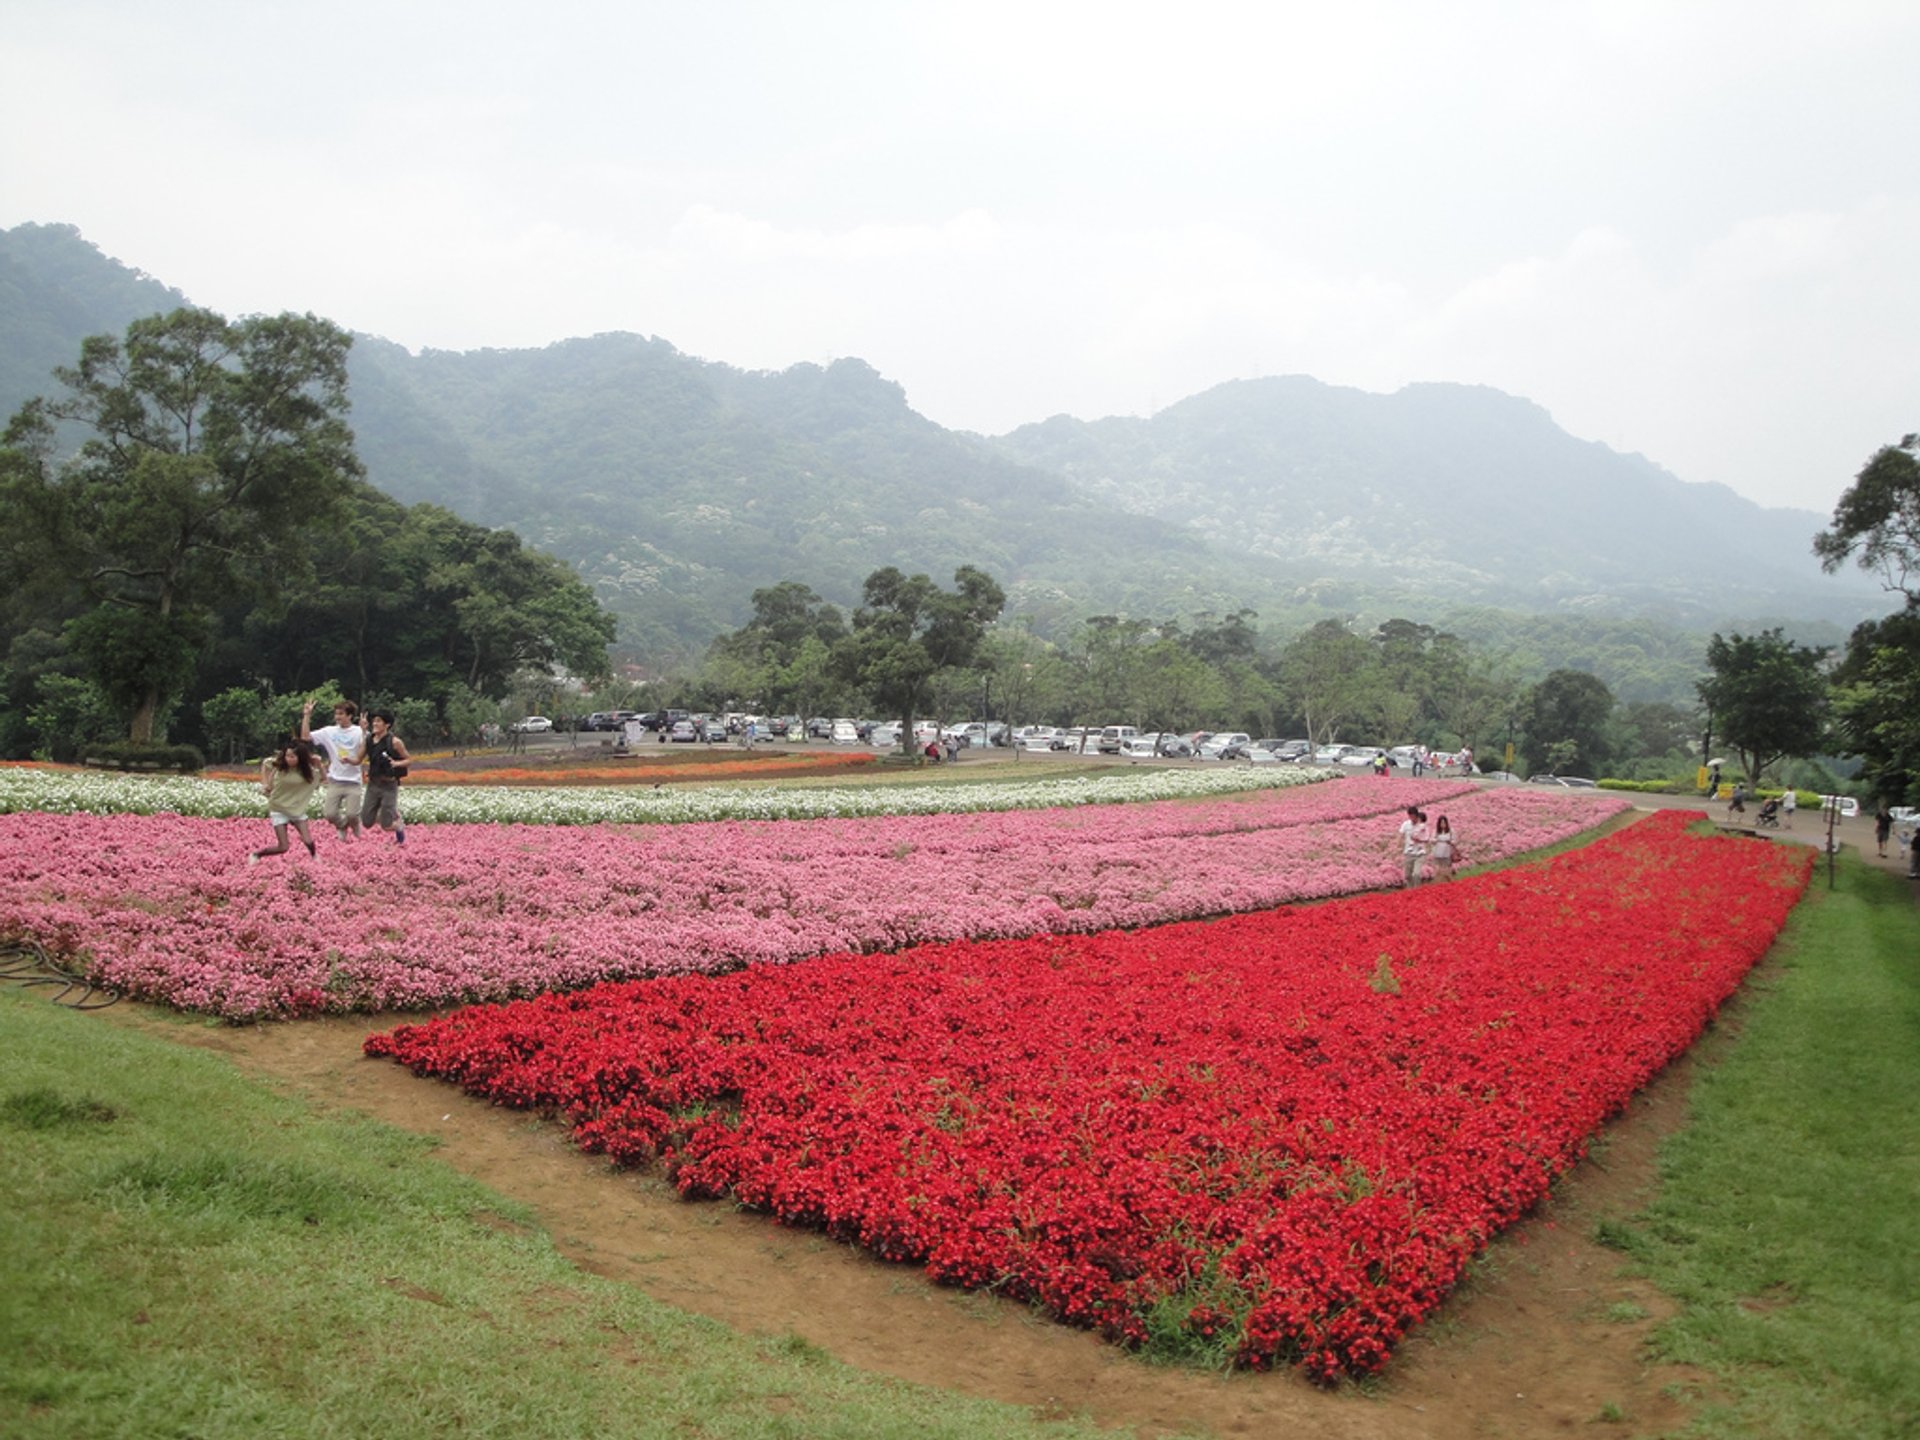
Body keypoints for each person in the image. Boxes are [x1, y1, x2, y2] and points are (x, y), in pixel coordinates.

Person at [249, 738, 324, 864]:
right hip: (278, 807)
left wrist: (319, 765)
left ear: (300, 757)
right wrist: (266, 783)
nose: (289, 759)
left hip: (296, 808)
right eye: (288, 756)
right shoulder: (279, 764)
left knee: (307, 840)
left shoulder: (306, 770)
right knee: (283, 847)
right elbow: (265, 765)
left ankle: (314, 856)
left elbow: (322, 778)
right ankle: (257, 855)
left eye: (293, 756)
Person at [303, 698, 366, 840]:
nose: (337, 717)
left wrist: (364, 731)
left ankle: (354, 824)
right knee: (330, 814)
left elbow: (365, 747)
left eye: (341, 713)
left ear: (350, 716)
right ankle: (343, 825)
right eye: (336, 713)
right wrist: (307, 715)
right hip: (335, 780)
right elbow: (305, 737)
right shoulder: (329, 731)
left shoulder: (358, 731)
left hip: (353, 781)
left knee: (352, 814)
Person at [360, 709, 410, 846]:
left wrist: (396, 763)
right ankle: (387, 812)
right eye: (373, 721)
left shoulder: (395, 742)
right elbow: (358, 758)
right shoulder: (369, 740)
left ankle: (398, 825)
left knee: (386, 825)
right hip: (373, 784)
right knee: (366, 822)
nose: (374, 723)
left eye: (378, 721)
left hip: (389, 785)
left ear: (387, 725)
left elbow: (408, 760)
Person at [1388, 805, 1428, 887]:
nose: (1412, 819)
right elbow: (1400, 835)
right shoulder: (1406, 824)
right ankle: (1410, 891)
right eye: (1410, 816)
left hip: (1420, 854)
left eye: (1413, 817)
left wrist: (1419, 840)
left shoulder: (1422, 826)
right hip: (1408, 853)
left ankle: (1417, 891)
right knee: (1407, 875)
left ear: (1417, 815)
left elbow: (1427, 839)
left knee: (1416, 874)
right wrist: (1396, 846)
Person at [1426, 814, 1457, 881]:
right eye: (1441, 823)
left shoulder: (1451, 831)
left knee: (1446, 872)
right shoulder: (1436, 831)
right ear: (1439, 823)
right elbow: (1431, 840)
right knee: (1437, 872)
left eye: (1444, 822)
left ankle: (1451, 884)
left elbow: (1454, 841)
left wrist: (1450, 842)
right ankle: (1439, 886)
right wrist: (1435, 840)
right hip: (1437, 854)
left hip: (1447, 854)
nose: (1443, 824)